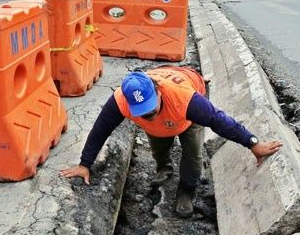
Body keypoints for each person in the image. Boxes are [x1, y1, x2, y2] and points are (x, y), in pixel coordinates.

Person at [60, 68, 283, 217]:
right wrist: (84, 164)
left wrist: (253, 144)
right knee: (159, 143)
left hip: (187, 105)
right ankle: (164, 169)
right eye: (142, 113)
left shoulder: (187, 101)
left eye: (151, 109)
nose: (149, 115)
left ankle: (186, 190)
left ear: (157, 91)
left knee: (192, 154)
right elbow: (101, 129)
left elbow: (220, 120)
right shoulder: (121, 100)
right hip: (168, 114)